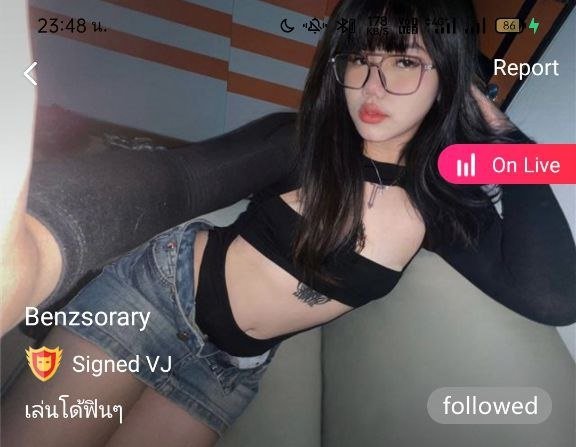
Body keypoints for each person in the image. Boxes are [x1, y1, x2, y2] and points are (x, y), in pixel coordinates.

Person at [2, 0, 575, 446]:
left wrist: (507, 137)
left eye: (403, 61)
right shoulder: (303, 143)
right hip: (154, 301)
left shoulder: (437, 209)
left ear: (451, 78)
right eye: (360, 59)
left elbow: (554, 298)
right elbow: (176, 181)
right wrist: (44, 241)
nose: (372, 87)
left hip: (226, 373)